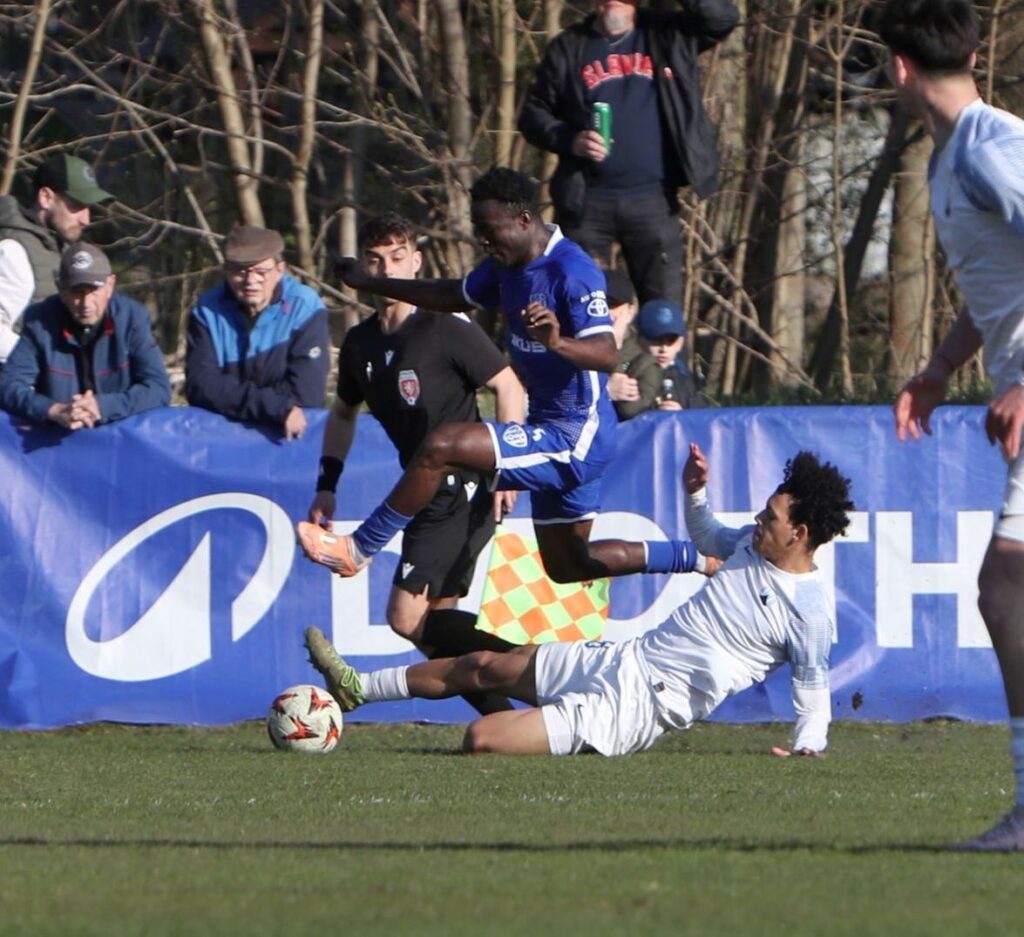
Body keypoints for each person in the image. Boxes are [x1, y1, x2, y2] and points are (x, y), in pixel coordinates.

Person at [303, 444, 853, 757]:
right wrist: (695, 492)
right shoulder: (751, 546)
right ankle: (356, 688)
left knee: (481, 738)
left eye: (770, 517)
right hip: (624, 659)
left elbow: (813, 691)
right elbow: (709, 538)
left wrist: (809, 746)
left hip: (637, 707)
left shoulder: (809, 613)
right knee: (483, 664)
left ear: (800, 533)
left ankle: (554, 735)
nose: (757, 519)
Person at [329, 167, 712, 585]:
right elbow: (453, 295)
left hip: (574, 437)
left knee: (442, 445)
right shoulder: (504, 263)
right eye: (478, 229)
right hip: (550, 428)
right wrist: (373, 283)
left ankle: (359, 548)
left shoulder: (572, 271)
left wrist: (557, 342)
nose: (482, 239)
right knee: (568, 567)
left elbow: (606, 354)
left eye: (489, 229)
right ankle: (698, 558)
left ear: (524, 220)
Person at [883, 0, 1024, 851]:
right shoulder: (954, 157)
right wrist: (938, 369)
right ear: (972, 54)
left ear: (898, 67)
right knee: (1007, 587)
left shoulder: (992, 148)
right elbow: (998, 287)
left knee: (1005, 586)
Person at [298, 213, 526, 711]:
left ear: (416, 262)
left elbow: (508, 385)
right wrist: (327, 484)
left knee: (406, 616)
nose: (386, 271)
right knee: (437, 621)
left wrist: (509, 464)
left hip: (464, 486)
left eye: (397, 259)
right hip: (421, 490)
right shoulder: (360, 343)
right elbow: (343, 414)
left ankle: (545, 673)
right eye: (376, 261)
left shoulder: (446, 326)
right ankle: (514, 714)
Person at [517, 0, 739, 310]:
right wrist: (570, 139)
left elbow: (722, 19)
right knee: (577, 307)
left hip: (654, 202)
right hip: (586, 203)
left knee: (663, 314)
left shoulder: (667, 33)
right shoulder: (569, 46)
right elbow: (532, 115)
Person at [0, 243, 170, 428]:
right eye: (77, 292)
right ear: (61, 289)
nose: (86, 303)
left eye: (94, 290)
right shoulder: (39, 322)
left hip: (119, 435)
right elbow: (8, 386)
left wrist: (102, 406)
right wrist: (52, 410)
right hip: (56, 435)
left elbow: (158, 389)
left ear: (110, 285)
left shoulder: (132, 319)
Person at [185, 225, 330, 440]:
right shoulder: (206, 310)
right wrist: (276, 407)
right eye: (240, 271)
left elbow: (306, 395)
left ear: (280, 270)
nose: (250, 281)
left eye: (261, 272)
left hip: (289, 440)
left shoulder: (305, 307)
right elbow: (201, 386)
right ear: (226, 271)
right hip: (221, 439)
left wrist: (232, 397)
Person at [0, 153, 114, 364]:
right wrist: (47, 361)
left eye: (89, 208)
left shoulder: (58, 248)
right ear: (46, 197)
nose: (86, 219)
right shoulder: (14, 250)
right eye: (77, 205)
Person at [634, 298, 706, 411]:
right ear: (640, 340)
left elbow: (701, 415)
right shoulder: (631, 376)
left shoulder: (686, 380)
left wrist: (682, 416)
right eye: (656, 340)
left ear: (681, 343)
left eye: (671, 341)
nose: (663, 349)